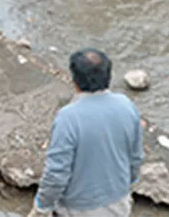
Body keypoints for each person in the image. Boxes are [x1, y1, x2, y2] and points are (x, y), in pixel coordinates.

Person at [29, 49, 143, 217]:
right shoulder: (126, 106)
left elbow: (56, 174)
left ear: (75, 81)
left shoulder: (68, 118)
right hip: (119, 204)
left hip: (78, 209)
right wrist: (126, 185)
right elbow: (136, 157)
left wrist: (41, 207)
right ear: (108, 76)